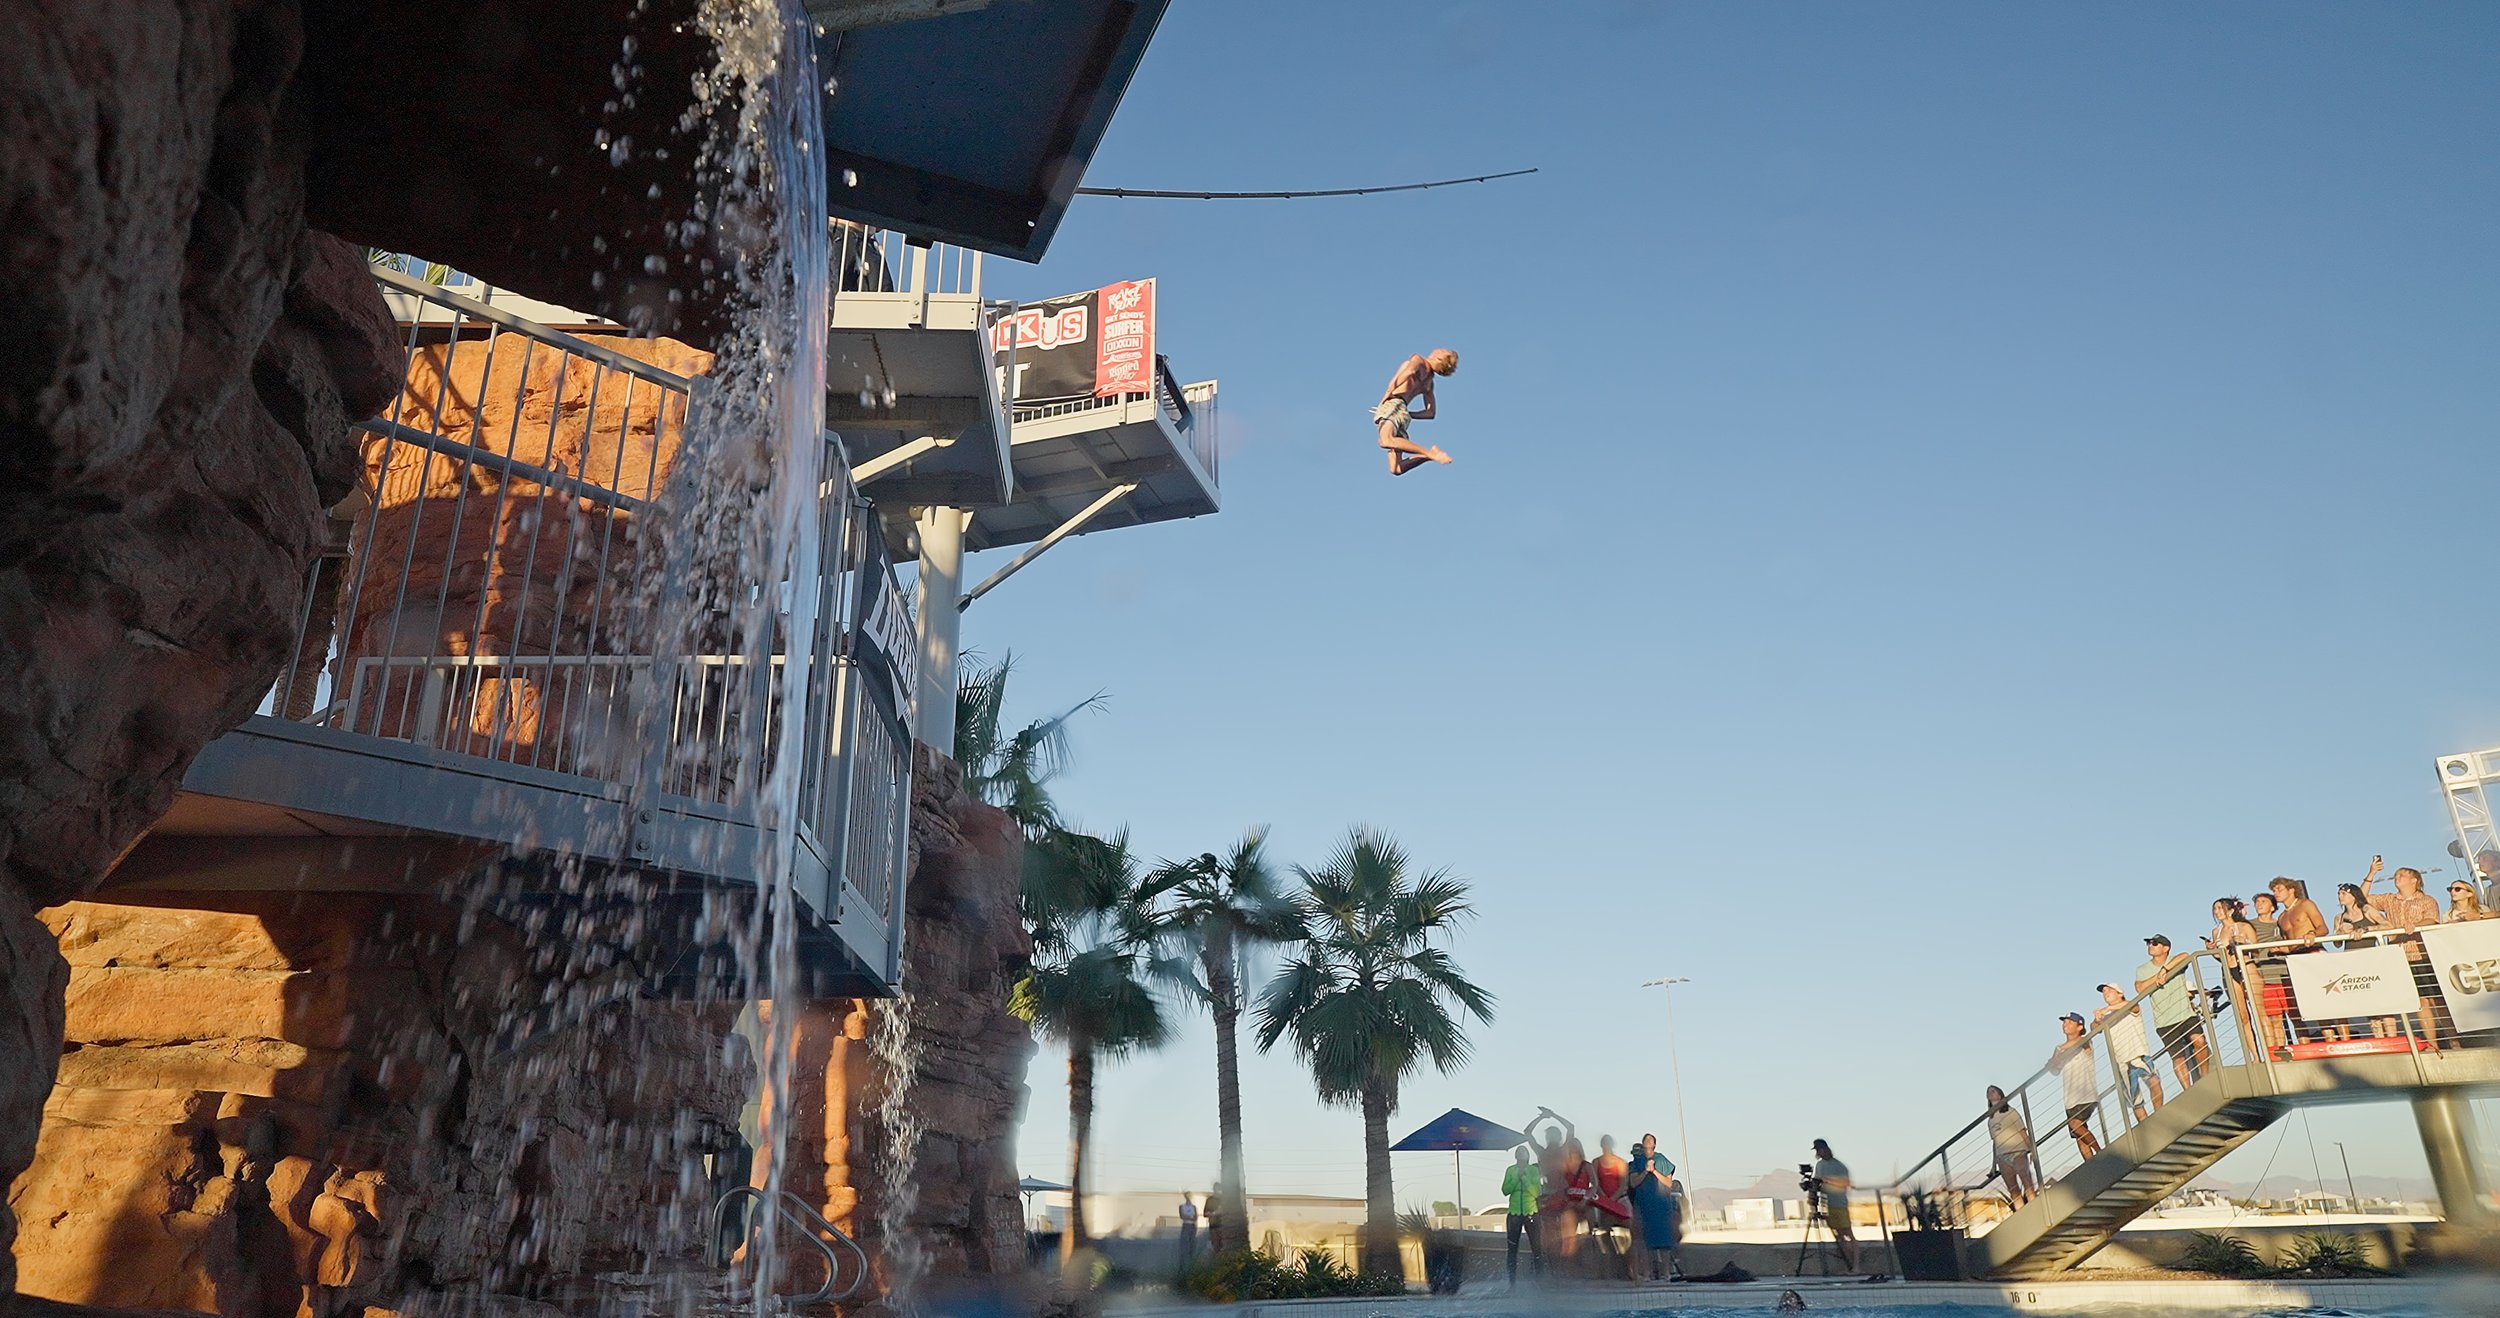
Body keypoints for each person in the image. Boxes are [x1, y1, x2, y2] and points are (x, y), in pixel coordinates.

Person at [2364, 858, 2447, 1053]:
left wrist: (2414, 926)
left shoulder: (2426, 900)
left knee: (2437, 1000)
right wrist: (2372, 873)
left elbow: (2432, 918)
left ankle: (2453, 1039)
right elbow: (2361, 898)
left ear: (2415, 880)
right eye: (2396, 875)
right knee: (2420, 1003)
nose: (2397, 877)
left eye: (2403, 875)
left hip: (2423, 954)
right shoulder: (2389, 899)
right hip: (2400, 957)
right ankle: (2432, 1042)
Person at [2134, 936, 2209, 1086]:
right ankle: (2188, 1091)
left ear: (2166, 948)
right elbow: (2140, 988)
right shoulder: (2142, 969)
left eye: (2154, 943)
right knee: (2178, 1057)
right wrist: (2158, 977)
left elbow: (2186, 955)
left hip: (2185, 1014)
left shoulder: (2175, 960)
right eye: (2149, 943)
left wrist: (2166, 969)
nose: (2150, 946)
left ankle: (2205, 1077)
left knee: (2200, 1041)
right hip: (2164, 1021)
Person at [1371, 349, 1459, 475]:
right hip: (1402, 412)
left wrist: (1388, 393)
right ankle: (1428, 455)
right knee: (1396, 469)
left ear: (1439, 358)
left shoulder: (1419, 360)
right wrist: (1408, 414)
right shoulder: (1429, 383)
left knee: (1385, 440)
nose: (1438, 349)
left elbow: (1409, 372)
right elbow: (1430, 413)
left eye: (1443, 351)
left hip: (1394, 403)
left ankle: (1429, 453)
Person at [2093, 983, 2164, 1117]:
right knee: (2135, 1100)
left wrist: (2107, 1008)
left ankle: (2159, 1115)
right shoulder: (2106, 1017)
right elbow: (2093, 1028)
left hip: (2138, 1055)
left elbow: (2132, 1005)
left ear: (2120, 993)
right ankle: (2147, 1126)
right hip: (2121, 1063)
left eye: (2109, 990)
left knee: (2154, 1081)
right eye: (2103, 991)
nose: (2105, 992)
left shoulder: (2131, 1006)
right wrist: (2097, 1020)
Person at [2206, 897, 2264, 1057]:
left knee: (2259, 1012)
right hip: (2228, 971)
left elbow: (2257, 951)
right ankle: (2255, 1056)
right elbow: (2220, 957)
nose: (2217, 912)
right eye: (2215, 909)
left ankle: (2269, 1051)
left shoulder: (2244, 926)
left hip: (2247, 966)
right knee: (2242, 1015)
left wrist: (2244, 942)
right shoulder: (2216, 932)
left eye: (2220, 908)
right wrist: (2212, 950)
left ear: (2230, 910)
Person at [1626, 1133, 1682, 1281]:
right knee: (1645, 1240)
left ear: (1655, 1145)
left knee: (1664, 1240)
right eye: (1646, 1140)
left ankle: (1665, 1273)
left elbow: (1669, 1183)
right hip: (1644, 1204)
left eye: (1651, 1141)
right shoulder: (1636, 1163)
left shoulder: (1661, 1160)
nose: (1648, 1143)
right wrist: (1645, 1171)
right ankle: (1647, 1273)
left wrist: (1655, 1171)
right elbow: (1633, 1183)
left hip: (1662, 1205)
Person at [2050, 1013, 2102, 1161]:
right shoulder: (2060, 1049)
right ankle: (2090, 1163)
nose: (2065, 1024)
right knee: (2079, 1134)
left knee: (2075, 1124)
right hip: (2070, 1098)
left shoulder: (2084, 1042)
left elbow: (2081, 1042)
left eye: (2069, 1022)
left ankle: (2100, 1151)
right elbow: (2055, 1070)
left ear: (2080, 1026)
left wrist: (2058, 1052)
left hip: (2086, 1094)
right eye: (2064, 1022)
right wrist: (2055, 1059)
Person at [1807, 1139, 1861, 1273]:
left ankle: (1857, 1265)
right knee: (1839, 1236)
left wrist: (1828, 1181)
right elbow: (1817, 1183)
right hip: (1828, 1205)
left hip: (1839, 1204)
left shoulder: (1839, 1166)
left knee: (1849, 1234)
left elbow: (1845, 1183)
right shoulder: (1819, 1165)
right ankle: (1849, 1265)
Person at [1984, 1085, 2038, 1209]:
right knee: (2013, 1190)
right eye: (1988, 1092)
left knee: (2027, 1183)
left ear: (2000, 1094)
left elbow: (2022, 1131)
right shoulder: (1990, 1120)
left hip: (2017, 1151)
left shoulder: (2011, 1112)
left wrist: (2032, 1150)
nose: (1990, 1093)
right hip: (2002, 1156)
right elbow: (1995, 1142)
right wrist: (1993, 1166)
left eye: (1993, 1091)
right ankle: (2021, 1213)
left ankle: (2035, 1209)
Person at [1500, 1145, 1543, 1286]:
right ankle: (1512, 1281)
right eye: (1518, 1152)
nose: (1521, 1154)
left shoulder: (1533, 1170)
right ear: (1515, 1156)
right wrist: (1516, 1179)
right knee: (1512, 1248)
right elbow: (1505, 1190)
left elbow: (1537, 1192)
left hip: (1531, 1211)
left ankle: (1540, 1281)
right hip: (1514, 1212)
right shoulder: (1510, 1170)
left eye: (1523, 1152)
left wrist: (1524, 1179)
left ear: (1528, 1155)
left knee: (1537, 1248)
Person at [1588, 1135, 1633, 1266]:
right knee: (1604, 1230)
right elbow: (1595, 1182)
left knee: (1631, 1227)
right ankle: (1614, 1256)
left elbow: (1624, 1184)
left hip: (1619, 1198)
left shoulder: (1620, 1162)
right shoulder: (1596, 1162)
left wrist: (1613, 1199)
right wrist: (1605, 1199)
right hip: (1604, 1200)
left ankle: (1628, 1260)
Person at [1176, 1192, 1197, 1267]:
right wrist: (1190, 1216)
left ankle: (1192, 1262)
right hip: (1186, 1225)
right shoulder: (1182, 1206)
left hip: (1192, 1226)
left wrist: (1188, 1216)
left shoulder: (1193, 1207)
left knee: (1192, 1244)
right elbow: (1182, 1216)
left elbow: (1195, 1218)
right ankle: (1182, 1264)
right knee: (1185, 1244)